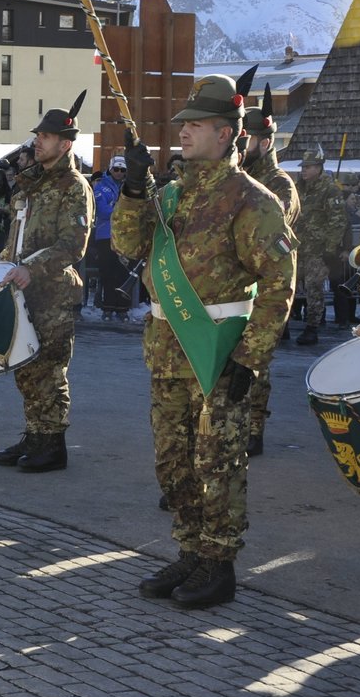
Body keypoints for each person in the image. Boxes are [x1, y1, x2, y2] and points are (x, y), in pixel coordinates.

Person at [113, 74, 296, 609]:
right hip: (168, 350)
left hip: (217, 351)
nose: (184, 133)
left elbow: (278, 284)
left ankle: (219, 565)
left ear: (226, 133)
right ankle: (190, 552)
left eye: (194, 125)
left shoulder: (252, 200)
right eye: (183, 125)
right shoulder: (170, 194)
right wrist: (132, 190)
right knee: (174, 463)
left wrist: (249, 358)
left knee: (218, 463)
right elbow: (129, 244)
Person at [0, 108, 94, 474]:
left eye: (46, 137)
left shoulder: (73, 187)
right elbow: (15, 237)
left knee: (50, 369)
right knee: (26, 367)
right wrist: (3, 268)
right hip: (22, 290)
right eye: (38, 135)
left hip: (51, 293)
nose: (38, 141)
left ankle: (53, 444)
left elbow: (72, 245)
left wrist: (29, 268)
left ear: (65, 145)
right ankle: (35, 434)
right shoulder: (31, 183)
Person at [238, 104, 300, 457]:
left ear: (264, 143)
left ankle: (254, 427)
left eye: (247, 139)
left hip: (265, 282)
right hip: (234, 283)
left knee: (256, 359)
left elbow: (280, 218)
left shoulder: (278, 183)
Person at [292, 148, 347, 346]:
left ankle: (312, 327)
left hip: (318, 250)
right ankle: (284, 325)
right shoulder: (300, 188)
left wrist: (330, 249)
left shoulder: (330, 189)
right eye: (303, 167)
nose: (303, 171)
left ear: (318, 167)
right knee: (290, 286)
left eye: (307, 167)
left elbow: (338, 220)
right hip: (298, 247)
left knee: (314, 289)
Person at [91, 155, 131, 320]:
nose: (119, 173)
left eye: (123, 170)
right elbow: (103, 211)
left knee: (124, 272)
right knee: (107, 272)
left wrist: (115, 207)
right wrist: (121, 210)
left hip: (125, 236)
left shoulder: (130, 187)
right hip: (105, 235)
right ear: (110, 168)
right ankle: (107, 307)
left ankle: (122, 309)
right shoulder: (101, 186)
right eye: (116, 169)